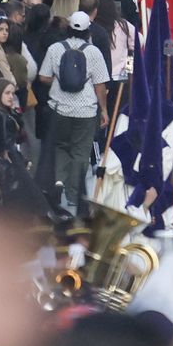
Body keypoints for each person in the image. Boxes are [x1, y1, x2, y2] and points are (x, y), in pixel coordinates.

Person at [37, 11, 111, 209]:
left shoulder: (55, 48)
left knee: (60, 146)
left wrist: (57, 80)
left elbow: (43, 77)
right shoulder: (93, 52)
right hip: (86, 111)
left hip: (59, 108)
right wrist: (103, 110)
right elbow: (100, 85)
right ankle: (74, 193)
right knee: (80, 151)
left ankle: (59, 181)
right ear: (88, 31)